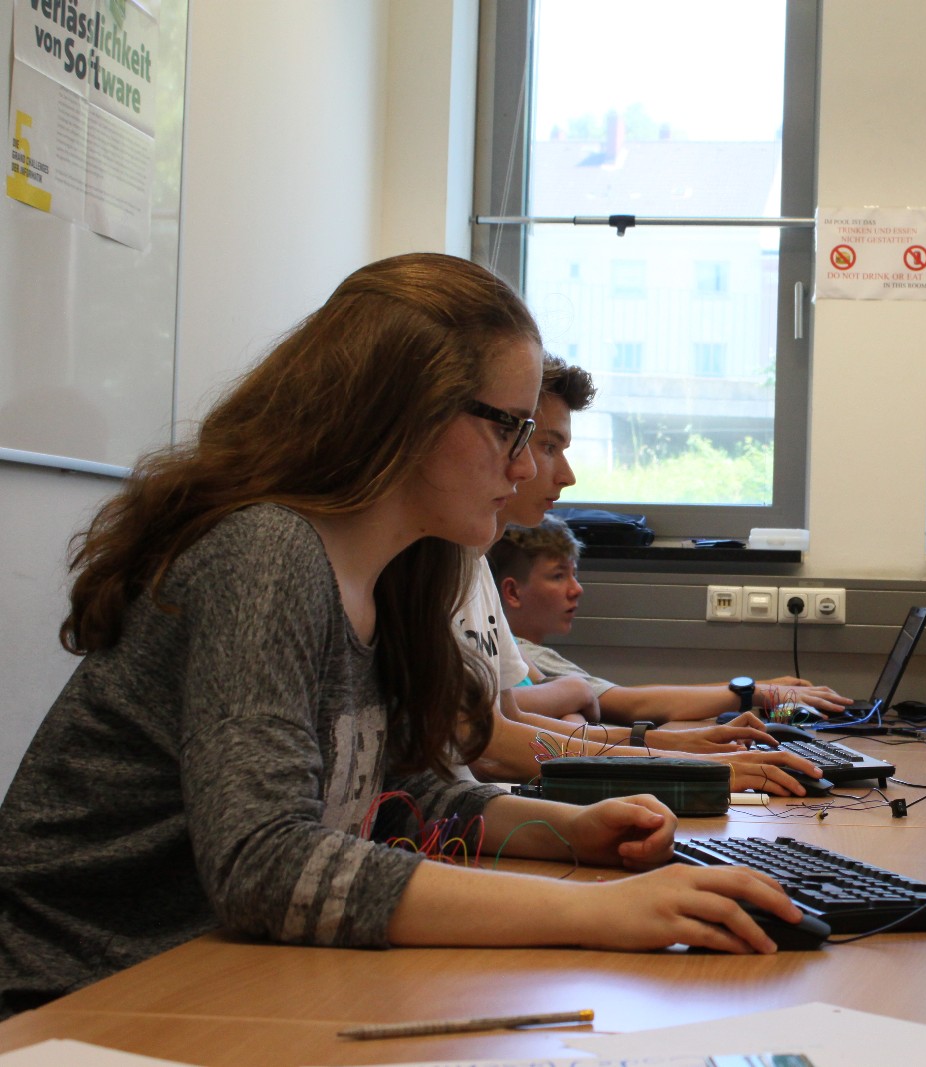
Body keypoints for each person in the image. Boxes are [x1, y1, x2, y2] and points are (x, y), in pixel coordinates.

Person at [0, 254, 801, 1019]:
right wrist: (596, 911)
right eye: (511, 428)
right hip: (75, 999)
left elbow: (391, 798)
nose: (525, 467)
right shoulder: (266, 554)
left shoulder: (397, 575)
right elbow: (265, 863)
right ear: (408, 412)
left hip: (214, 976)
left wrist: (571, 830)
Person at [454, 357, 826, 796]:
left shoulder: (474, 564)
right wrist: (682, 760)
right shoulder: (447, 564)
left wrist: (669, 746)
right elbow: (493, 748)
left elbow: (510, 724)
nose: (565, 475)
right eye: (548, 447)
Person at [489, 518, 850, 722]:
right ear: (512, 592)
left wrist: (758, 686)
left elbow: (628, 696)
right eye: (558, 576)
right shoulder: (526, 656)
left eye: (575, 574)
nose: (576, 589)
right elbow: (632, 705)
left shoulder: (530, 655)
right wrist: (756, 693)